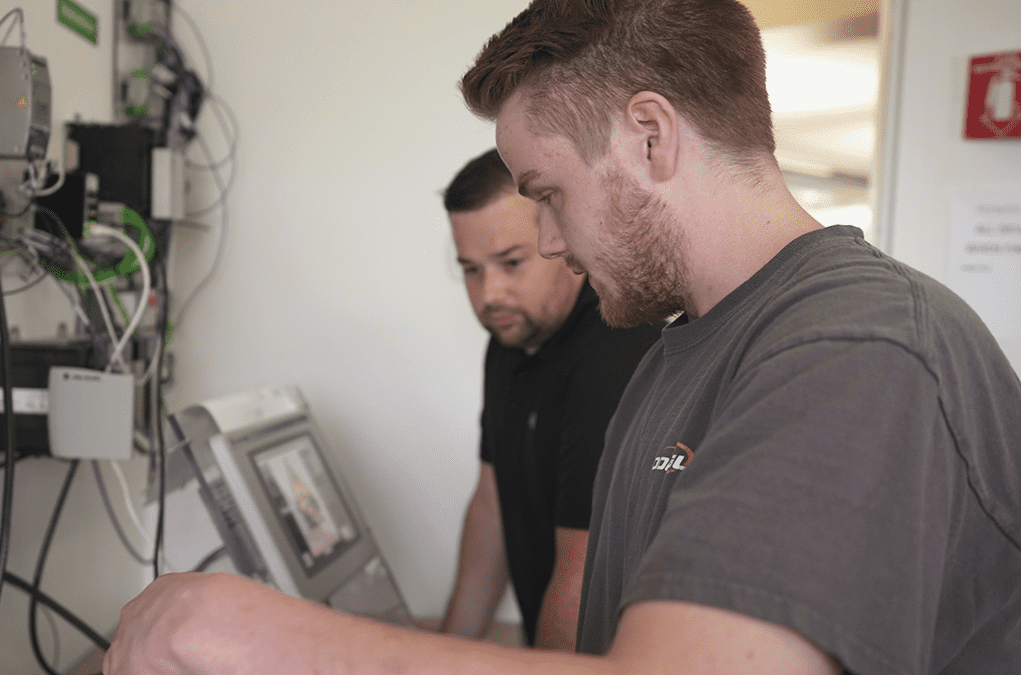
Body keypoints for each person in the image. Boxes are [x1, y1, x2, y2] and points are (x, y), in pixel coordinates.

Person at [102, 1, 1021, 673]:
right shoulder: (680, 351)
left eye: (546, 193)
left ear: (651, 137)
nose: (548, 242)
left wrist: (236, 626)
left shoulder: (859, 351)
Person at [437, 149, 661, 649]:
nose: (490, 293)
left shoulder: (616, 352)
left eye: (510, 262)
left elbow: (582, 576)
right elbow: (492, 508)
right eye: (471, 270)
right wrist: (442, 656)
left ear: (559, 237)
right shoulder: (510, 340)